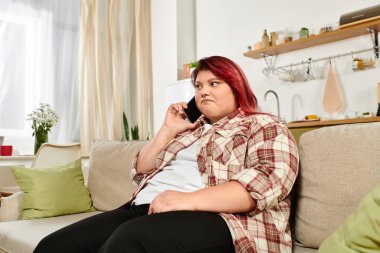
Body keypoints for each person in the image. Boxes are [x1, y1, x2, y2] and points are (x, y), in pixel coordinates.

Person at [34, 56, 299, 253]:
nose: (203, 91)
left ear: (237, 87)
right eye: (198, 86)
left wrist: (188, 200)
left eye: (214, 83)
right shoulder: (188, 133)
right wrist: (167, 129)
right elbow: (141, 171)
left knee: (128, 241)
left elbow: (266, 182)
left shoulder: (263, 124)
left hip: (220, 218)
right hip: (144, 208)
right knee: (53, 246)